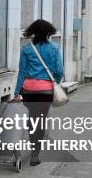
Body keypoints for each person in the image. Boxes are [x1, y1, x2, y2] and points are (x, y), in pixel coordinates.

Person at [13, 19, 63, 166]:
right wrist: (55, 81)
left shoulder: (27, 49)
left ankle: (31, 137)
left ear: (33, 32)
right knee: (40, 120)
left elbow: (22, 72)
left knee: (32, 118)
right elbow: (59, 70)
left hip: (28, 90)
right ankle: (35, 155)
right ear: (49, 33)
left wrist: (17, 92)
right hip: (46, 91)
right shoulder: (55, 48)